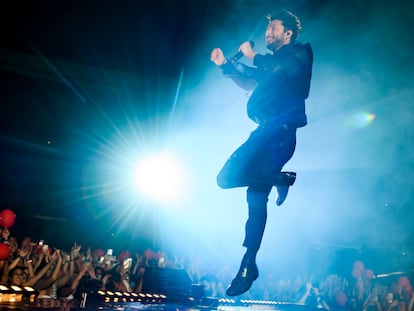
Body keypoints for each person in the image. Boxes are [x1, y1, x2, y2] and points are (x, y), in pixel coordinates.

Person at [210, 9, 313, 296]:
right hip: (265, 132)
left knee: (254, 197)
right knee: (227, 180)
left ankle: (247, 264)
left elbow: (274, 69)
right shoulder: (273, 66)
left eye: (274, 29)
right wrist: (224, 65)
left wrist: (252, 54)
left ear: (288, 33)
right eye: (268, 29)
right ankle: (279, 179)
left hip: (280, 134)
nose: (268, 33)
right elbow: (251, 80)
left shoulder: (300, 54)